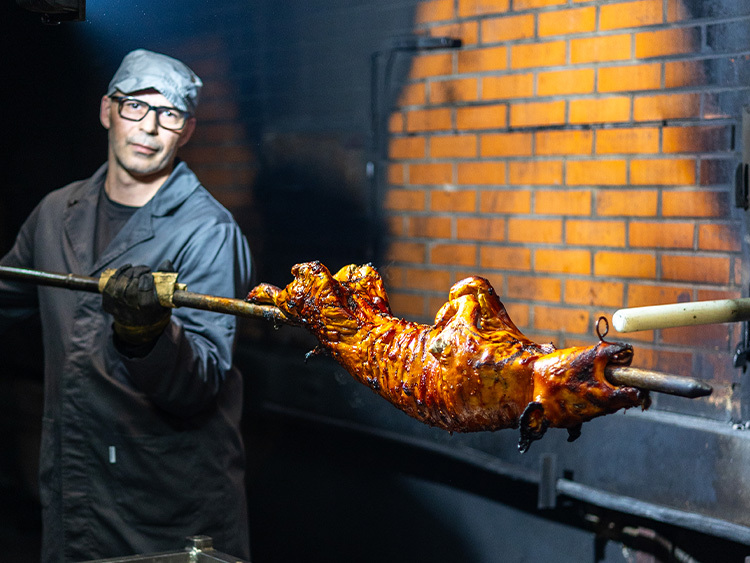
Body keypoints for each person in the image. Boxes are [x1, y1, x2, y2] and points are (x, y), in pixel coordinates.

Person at [0, 49, 252, 561]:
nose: (150, 127)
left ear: (186, 130)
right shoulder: (55, 213)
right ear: (107, 110)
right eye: (135, 106)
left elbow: (198, 383)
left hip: (165, 501)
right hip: (75, 485)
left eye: (170, 114)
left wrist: (148, 334)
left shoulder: (208, 230)